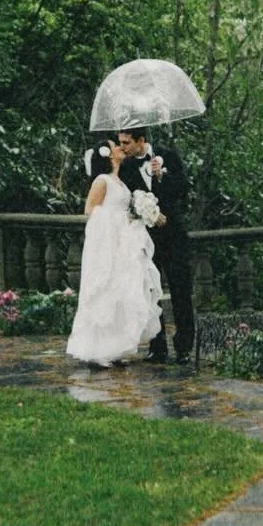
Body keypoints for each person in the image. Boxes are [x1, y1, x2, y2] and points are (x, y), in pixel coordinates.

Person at [65, 141, 163, 367]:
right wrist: (117, 220)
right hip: (108, 244)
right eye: (115, 146)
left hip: (123, 243)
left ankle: (115, 348)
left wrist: (138, 212)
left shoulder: (119, 180)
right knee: (104, 291)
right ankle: (97, 350)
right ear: (108, 155)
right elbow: (90, 210)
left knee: (120, 292)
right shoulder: (102, 181)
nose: (120, 148)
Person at [116, 127, 194, 364]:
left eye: (126, 142)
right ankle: (157, 346)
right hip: (146, 239)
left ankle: (183, 347)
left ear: (141, 140)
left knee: (180, 290)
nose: (122, 147)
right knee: (150, 292)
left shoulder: (168, 156)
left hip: (174, 236)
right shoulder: (126, 167)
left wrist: (161, 176)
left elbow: (183, 189)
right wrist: (144, 211)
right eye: (120, 142)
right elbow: (126, 201)